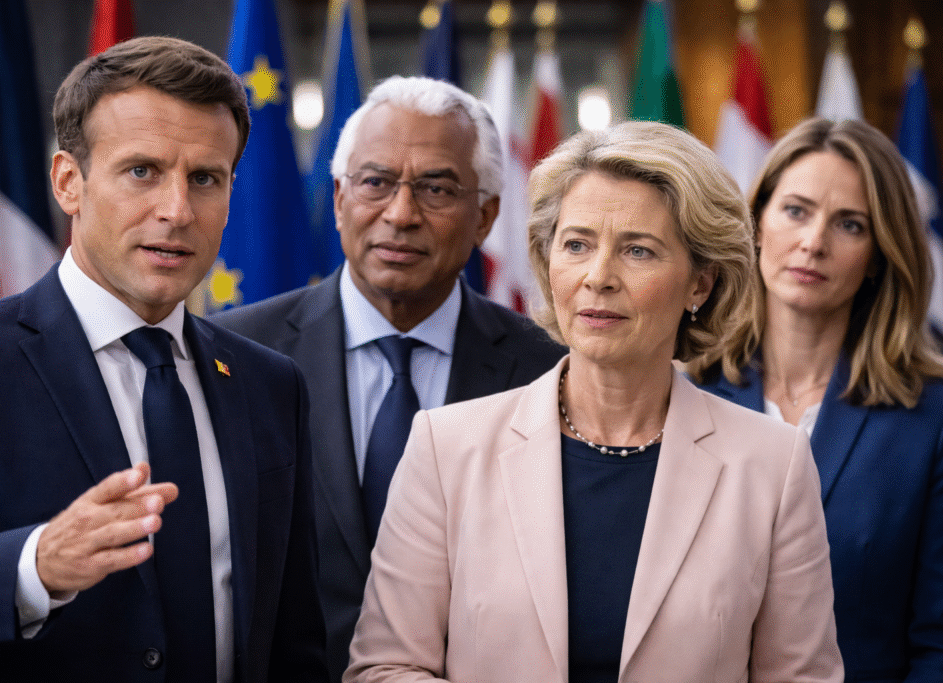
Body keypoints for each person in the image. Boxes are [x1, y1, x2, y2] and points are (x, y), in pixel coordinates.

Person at [344, 123, 844, 683]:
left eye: (638, 250)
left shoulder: (774, 466)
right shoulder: (446, 447)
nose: (598, 277)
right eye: (577, 244)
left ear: (700, 284)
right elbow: (384, 668)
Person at [0, 36, 325, 683]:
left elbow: (293, 633)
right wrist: (35, 565)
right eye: (142, 171)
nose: (177, 209)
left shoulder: (270, 383)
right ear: (68, 183)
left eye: (205, 178)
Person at [212, 75, 565, 681]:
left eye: (436, 189)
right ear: (341, 197)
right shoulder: (235, 353)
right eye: (376, 183)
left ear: (484, 218)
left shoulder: (546, 372)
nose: (401, 215)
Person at [690, 117, 943, 682]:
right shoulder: (685, 393)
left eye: (850, 224)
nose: (813, 242)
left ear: (879, 253)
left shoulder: (930, 420)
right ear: (756, 224)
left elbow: (939, 643)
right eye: (796, 211)